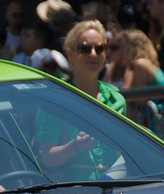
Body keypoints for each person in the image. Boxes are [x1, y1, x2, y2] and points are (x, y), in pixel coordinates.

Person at [37, 19, 126, 181]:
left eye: (100, 49)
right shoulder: (55, 100)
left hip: (117, 189)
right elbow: (48, 158)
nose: (93, 54)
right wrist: (75, 147)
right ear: (70, 54)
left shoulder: (117, 99)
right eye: (84, 48)